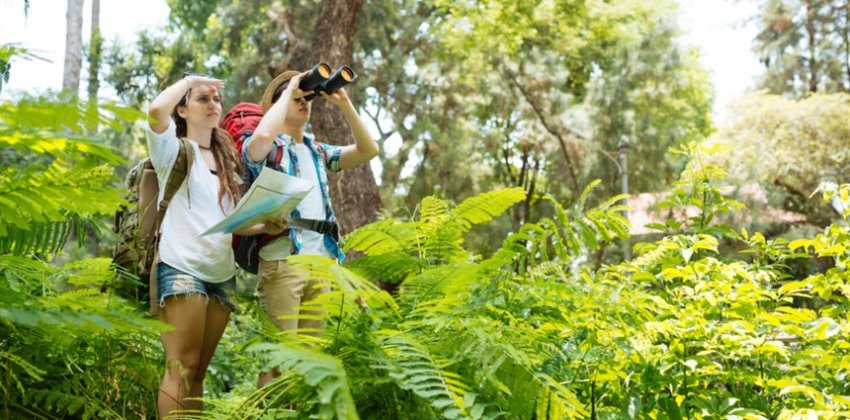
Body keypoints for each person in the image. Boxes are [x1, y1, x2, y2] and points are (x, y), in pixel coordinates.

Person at [146, 74, 286, 416]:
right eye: (202, 99)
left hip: (221, 274)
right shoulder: (172, 150)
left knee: (199, 371)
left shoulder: (227, 159)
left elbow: (231, 222)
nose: (213, 105)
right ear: (183, 109)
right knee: (181, 365)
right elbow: (154, 111)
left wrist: (266, 223)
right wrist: (190, 80)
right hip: (182, 266)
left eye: (216, 99)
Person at [244, 69, 378, 387]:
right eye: (297, 98)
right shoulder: (265, 147)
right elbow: (262, 138)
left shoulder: (317, 152)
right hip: (283, 263)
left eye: (308, 98)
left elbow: (368, 150)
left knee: (308, 362)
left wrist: (343, 102)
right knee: (279, 360)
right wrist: (290, 87)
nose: (305, 102)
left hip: (320, 265)